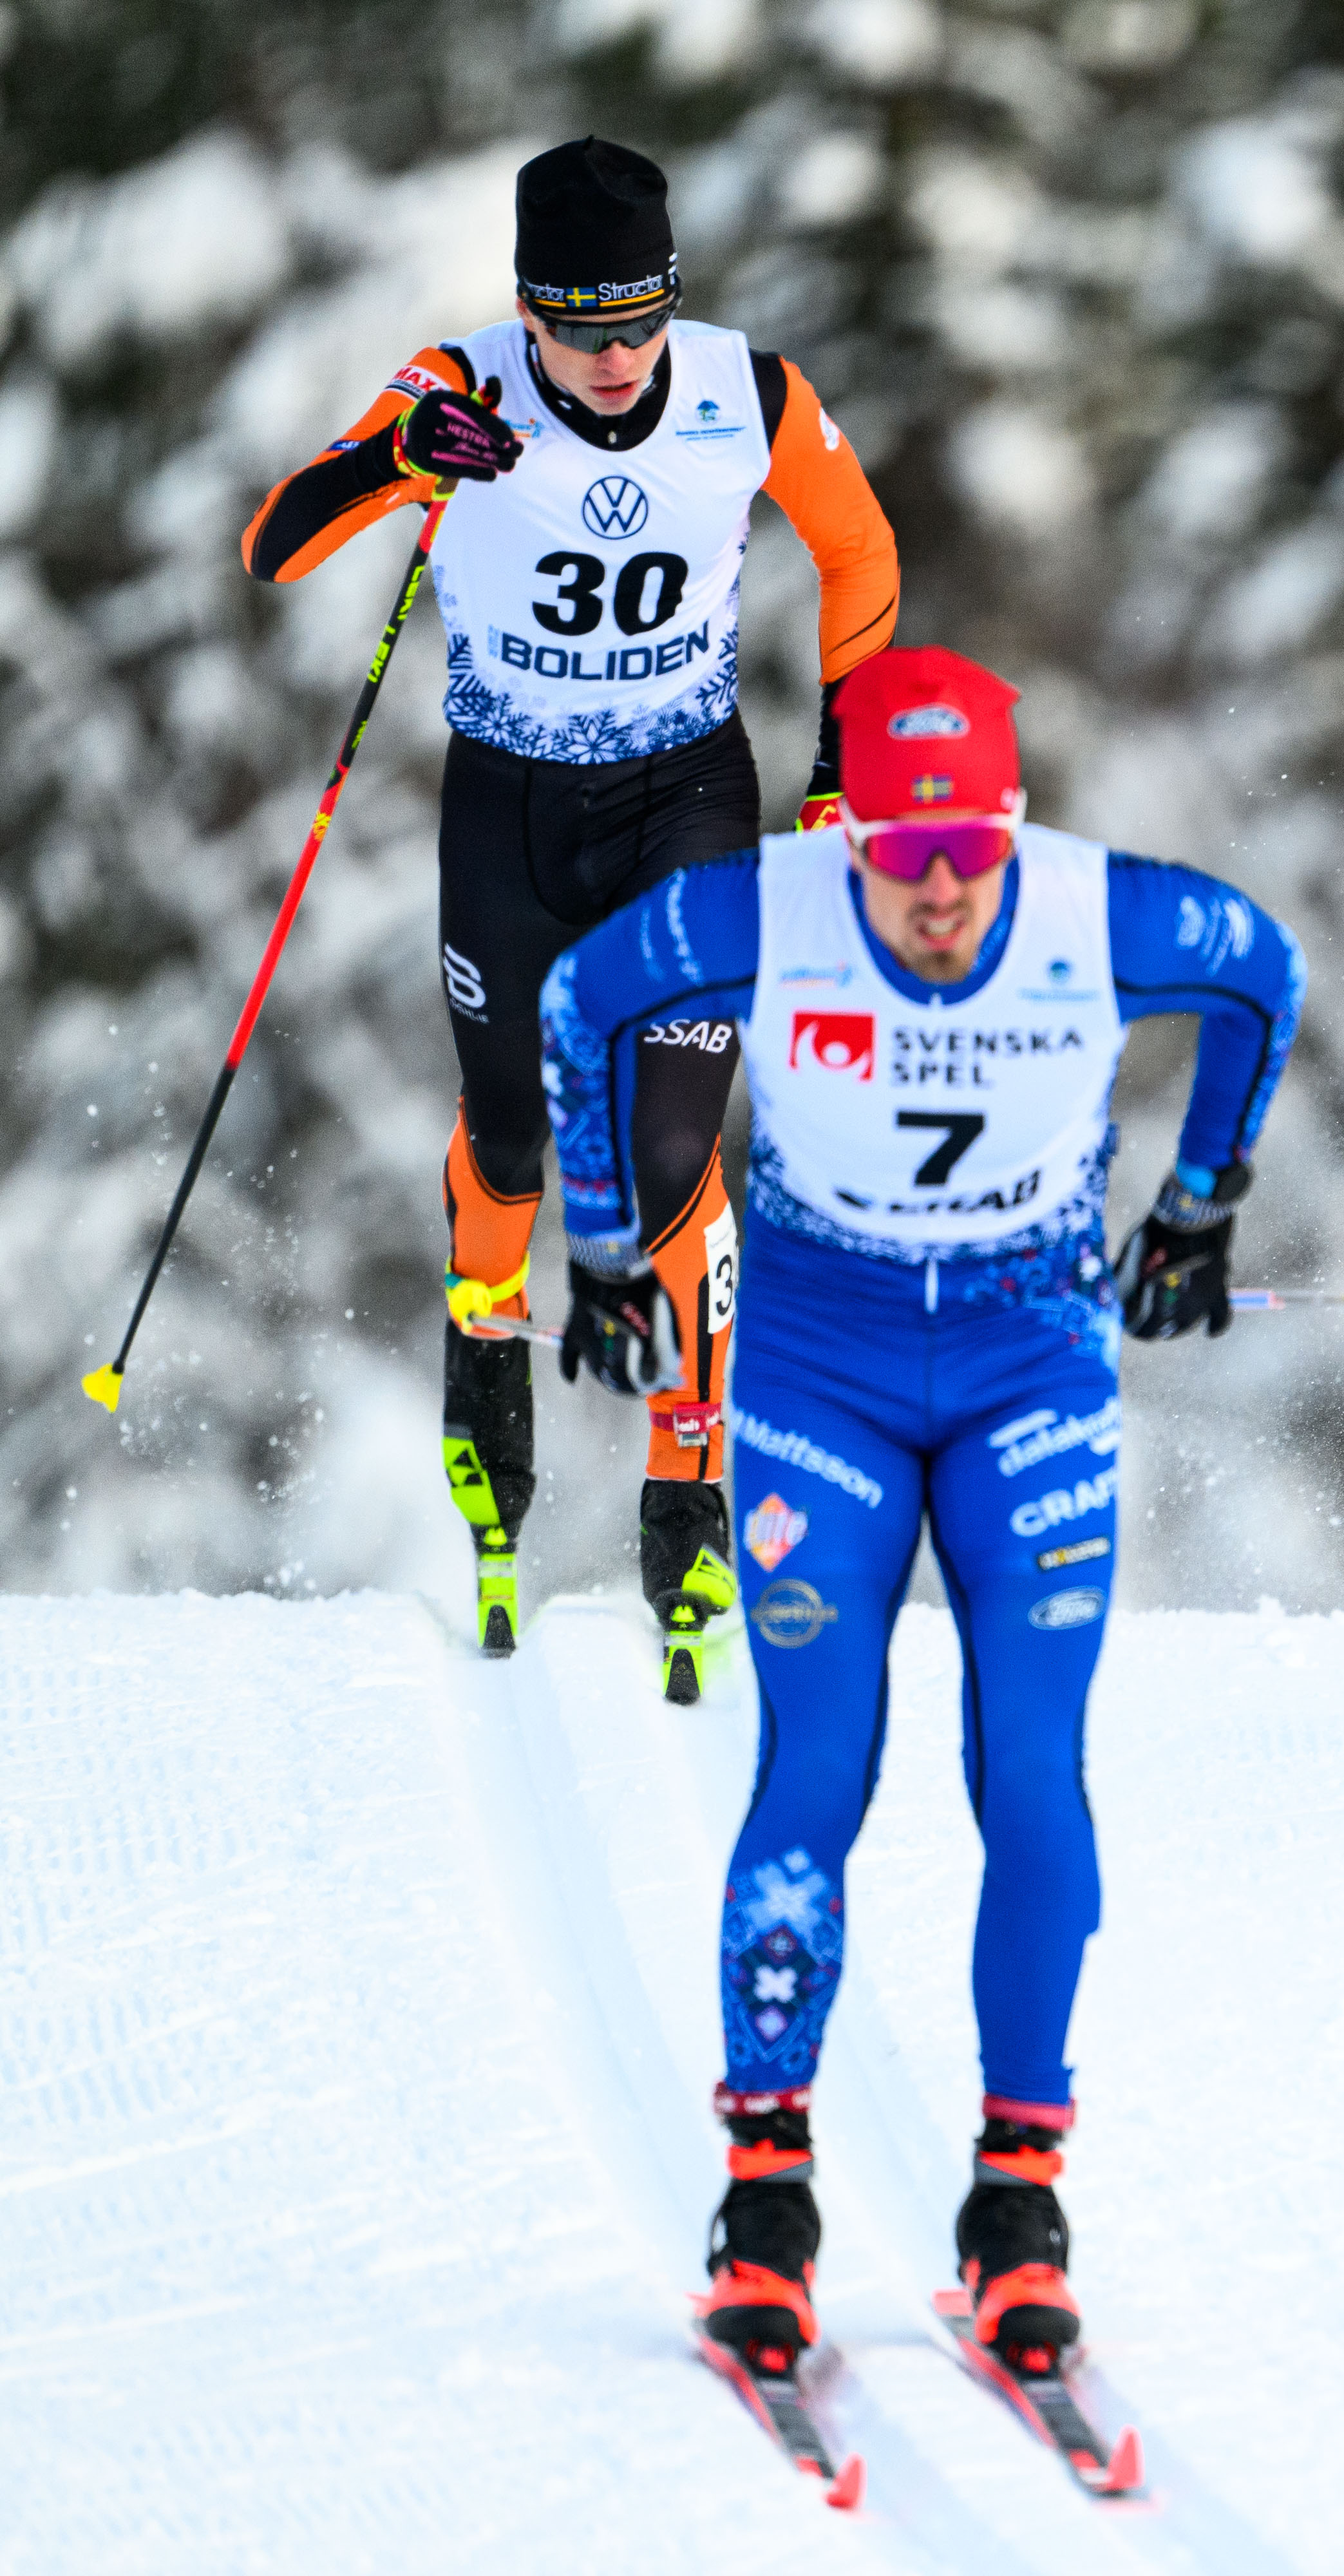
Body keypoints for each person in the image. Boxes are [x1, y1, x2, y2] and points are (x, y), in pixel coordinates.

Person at [535, 647, 1302, 2391]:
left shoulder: (1098, 913)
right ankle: (766, 2204)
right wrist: (602, 1244)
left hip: (1033, 1364)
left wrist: (1201, 1204)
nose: (942, 890)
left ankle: (1019, 2207)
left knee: (1029, 1770)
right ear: (850, 836)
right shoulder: (770, 907)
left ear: (1012, 823)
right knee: (817, 1762)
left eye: (970, 849)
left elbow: (1264, 972)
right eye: (902, 852)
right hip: (825, 1372)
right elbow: (581, 999)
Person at [241, 136, 900, 1692]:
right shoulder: (454, 389)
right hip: (510, 813)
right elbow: (277, 543)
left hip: (687, 801)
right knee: (512, 1131)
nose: (617, 360)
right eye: (582, 328)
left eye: (642, 321)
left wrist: (845, 766)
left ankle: (690, 1482)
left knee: (672, 1151)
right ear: (529, 309)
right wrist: (400, 462)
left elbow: (859, 546)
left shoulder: (748, 392)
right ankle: (487, 1341)